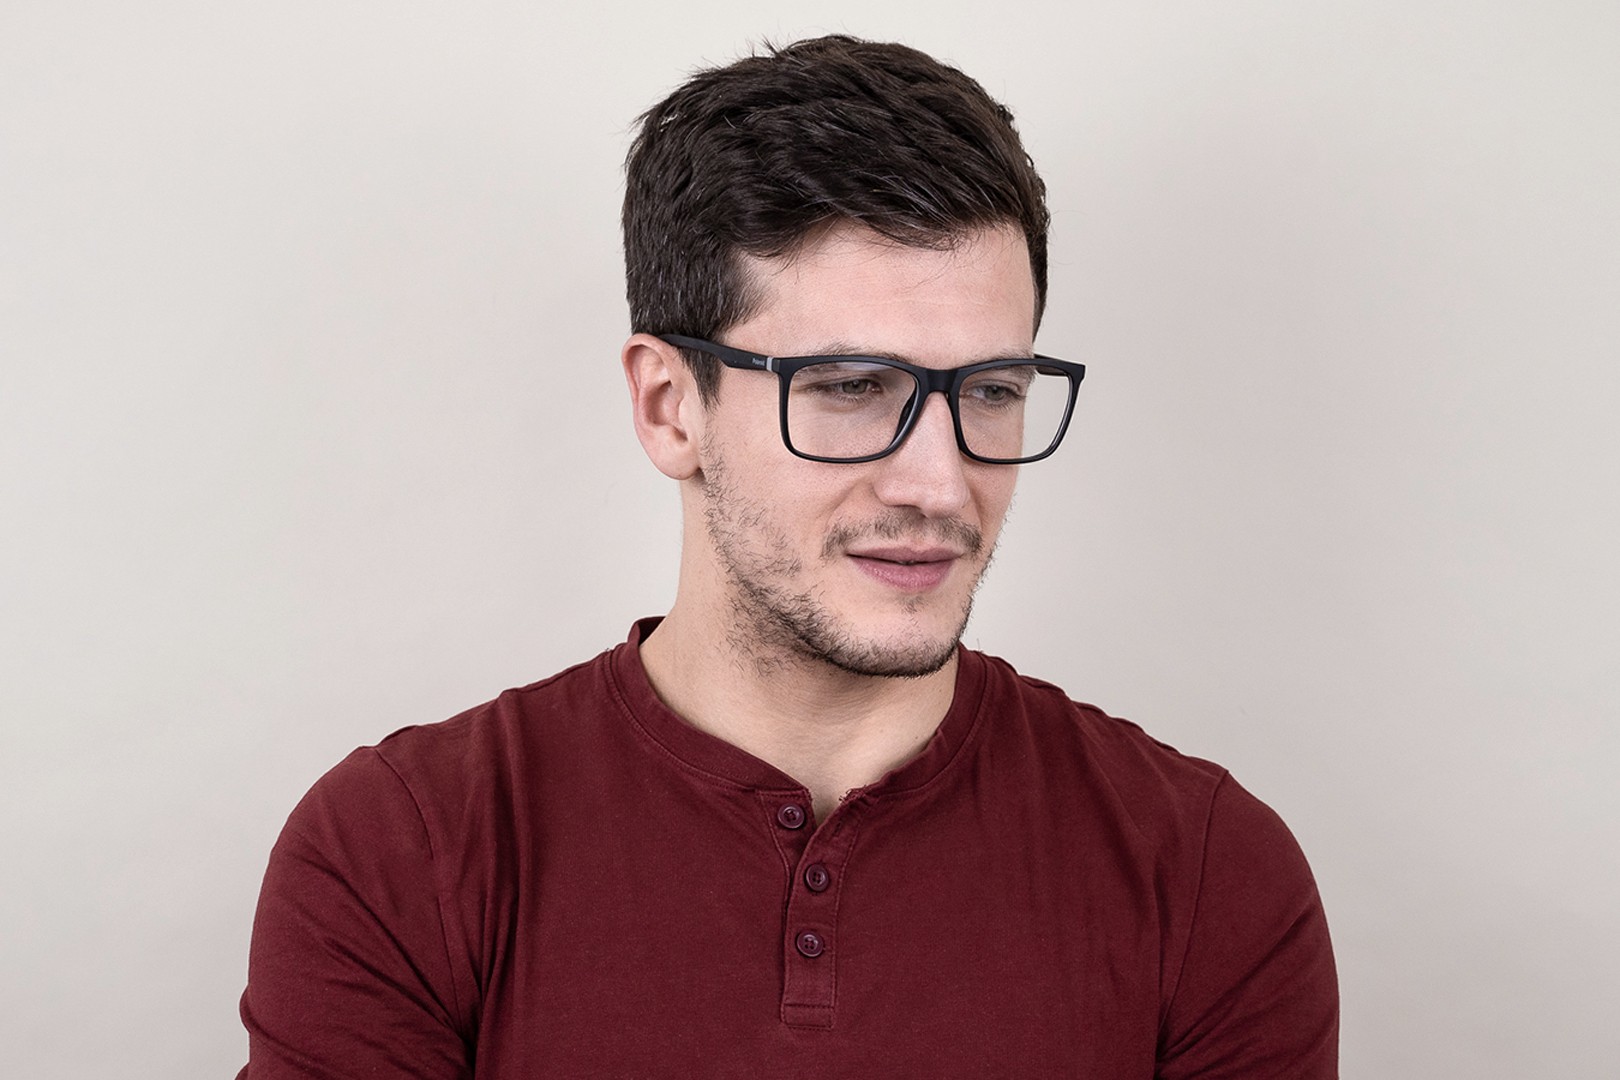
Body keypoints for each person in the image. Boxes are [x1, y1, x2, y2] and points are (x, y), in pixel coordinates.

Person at [238, 35, 1338, 1078]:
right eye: (852, 388)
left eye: (992, 391)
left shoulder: (1208, 874)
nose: (939, 483)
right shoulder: (402, 852)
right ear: (670, 407)